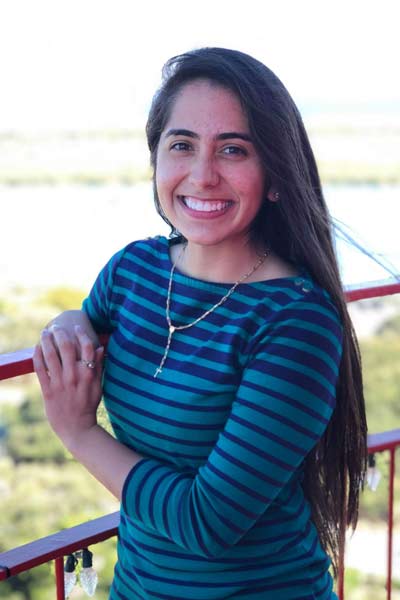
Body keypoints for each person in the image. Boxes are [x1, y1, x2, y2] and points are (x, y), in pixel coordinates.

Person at [34, 47, 367, 599]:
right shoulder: (132, 271)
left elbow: (205, 524)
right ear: (157, 161)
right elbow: (83, 322)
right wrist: (68, 320)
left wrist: (78, 432)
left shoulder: (297, 321)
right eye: (182, 145)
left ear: (276, 174)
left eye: (233, 150)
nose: (202, 175)